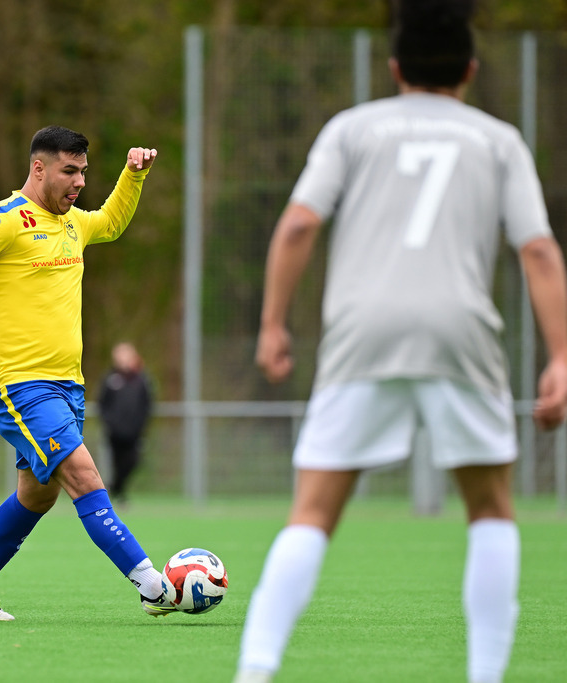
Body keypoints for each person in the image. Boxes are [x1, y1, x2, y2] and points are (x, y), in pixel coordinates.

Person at [233, 2, 567, 682]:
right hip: (461, 332)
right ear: (469, 71)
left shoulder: (352, 130)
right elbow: (536, 248)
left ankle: (256, 669)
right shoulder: (498, 140)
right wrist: (561, 353)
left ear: (394, 67)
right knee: (491, 508)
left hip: (363, 330)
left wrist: (273, 323)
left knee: (314, 510)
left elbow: (298, 226)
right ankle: (485, 675)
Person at [0, 125, 171, 621]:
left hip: (68, 388)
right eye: (70, 171)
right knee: (85, 477)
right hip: (21, 386)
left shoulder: (72, 223)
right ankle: (153, 587)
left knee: (37, 495)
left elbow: (110, 223)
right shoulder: (5, 220)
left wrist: (132, 176)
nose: (79, 181)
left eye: (83, 171)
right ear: (38, 168)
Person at [98, 341, 153, 503]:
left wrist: (141, 425)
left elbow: (147, 404)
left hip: (135, 431)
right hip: (115, 432)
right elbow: (103, 403)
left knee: (133, 461)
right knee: (116, 462)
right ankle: (120, 495)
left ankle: (115, 487)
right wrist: (109, 423)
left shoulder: (141, 379)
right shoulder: (110, 378)